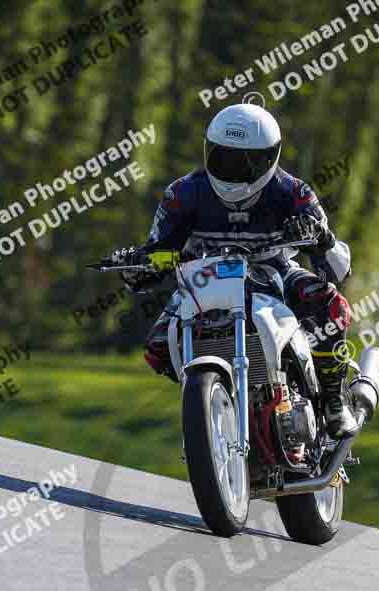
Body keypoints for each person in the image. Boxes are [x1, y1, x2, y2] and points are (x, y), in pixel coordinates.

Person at [112, 103, 356, 437]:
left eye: (242, 163)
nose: (230, 170)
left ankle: (332, 400)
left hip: (276, 271)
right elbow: (159, 255)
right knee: (157, 348)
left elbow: (338, 270)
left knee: (331, 304)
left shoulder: (294, 192)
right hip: (204, 278)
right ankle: (214, 397)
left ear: (269, 159)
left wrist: (319, 238)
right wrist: (138, 267)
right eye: (221, 158)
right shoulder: (182, 194)